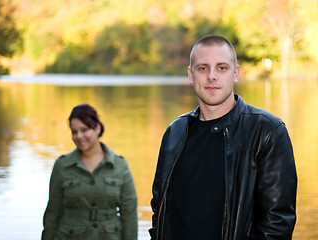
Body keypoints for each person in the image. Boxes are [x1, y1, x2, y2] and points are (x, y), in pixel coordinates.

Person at [149, 35, 297, 240]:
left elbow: (277, 222)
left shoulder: (267, 131)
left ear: (235, 74)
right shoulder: (175, 132)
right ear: (191, 75)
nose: (211, 76)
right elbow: (160, 208)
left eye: (221, 68)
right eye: (202, 68)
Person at [42, 104, 138, 240]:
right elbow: (53, 212)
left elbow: (129, 214)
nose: (79, 136)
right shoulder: (62, 166)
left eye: (84, 130)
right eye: (74, 131)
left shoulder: (119, 165)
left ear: (97, 128)